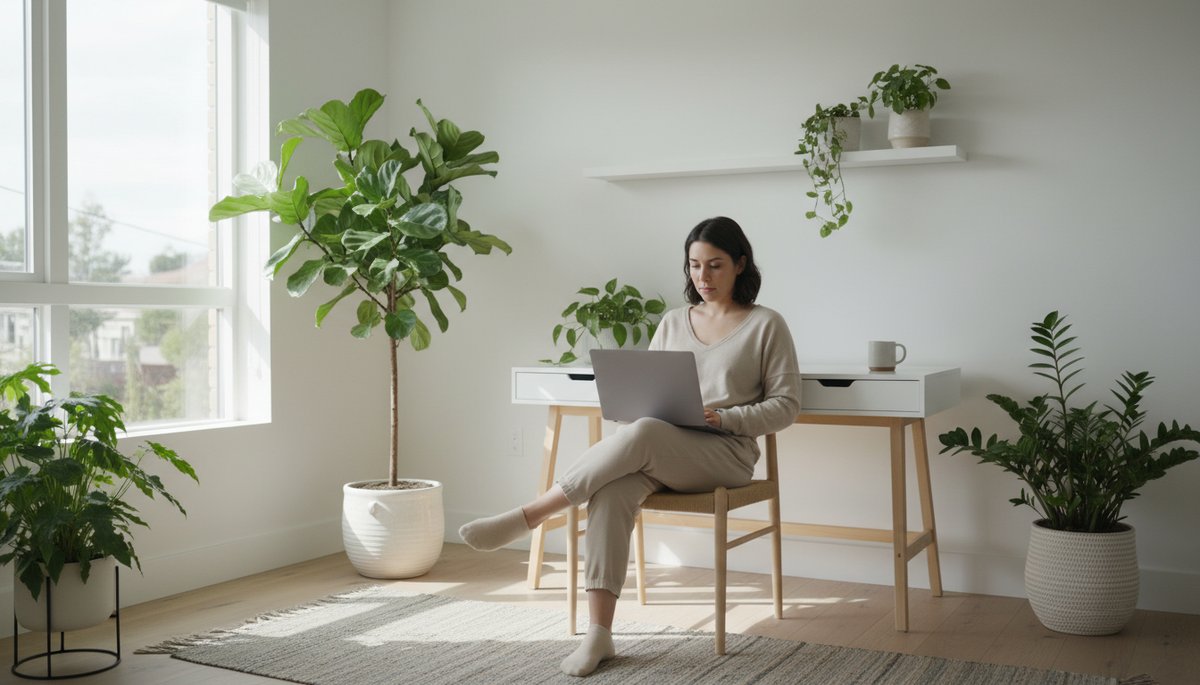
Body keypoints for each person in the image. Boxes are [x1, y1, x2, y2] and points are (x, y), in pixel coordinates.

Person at [459, 216, 801, 677]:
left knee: (643, 434)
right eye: (694, 266)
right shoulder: (674, 322)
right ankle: (600, 636)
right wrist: (633, 403)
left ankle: (533, 514)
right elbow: (655, 394)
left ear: (740, 265)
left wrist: (724, 417)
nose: (703, 278)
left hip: (726, 455)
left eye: (715, 266)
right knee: (613, 488)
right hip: (662, 446)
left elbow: (786, 406)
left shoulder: (766, 325)